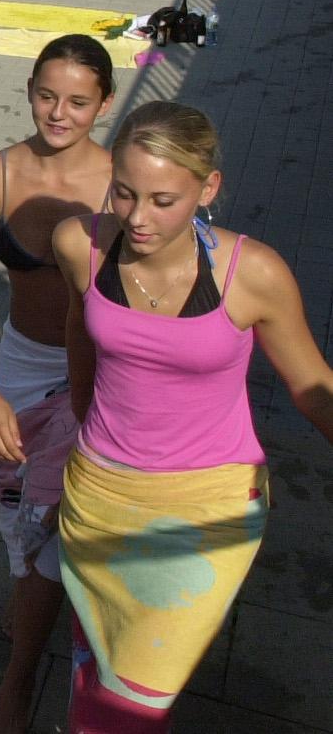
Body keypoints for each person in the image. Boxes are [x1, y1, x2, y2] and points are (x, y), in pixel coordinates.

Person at [52, 102, 333, 731]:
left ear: (208, 189)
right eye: (124, 194)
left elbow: (312, 385)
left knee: (123, 711)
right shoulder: (80, 244)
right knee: (103, 667)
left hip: (205, 512)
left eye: (163, 199)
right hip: (98, 497)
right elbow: (79, 342)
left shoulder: (252, 273)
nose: (139, 218)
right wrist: (81, 436)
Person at [0, 37, 116, 734]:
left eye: (79, 100)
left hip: (107, 373)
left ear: (104, 104)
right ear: (28, 88)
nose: (60, 111)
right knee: (23, 513)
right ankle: (35, 599)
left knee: (59, 527)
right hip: (21, 365)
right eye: (48, 95)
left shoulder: (122, 179)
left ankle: (16, 689)